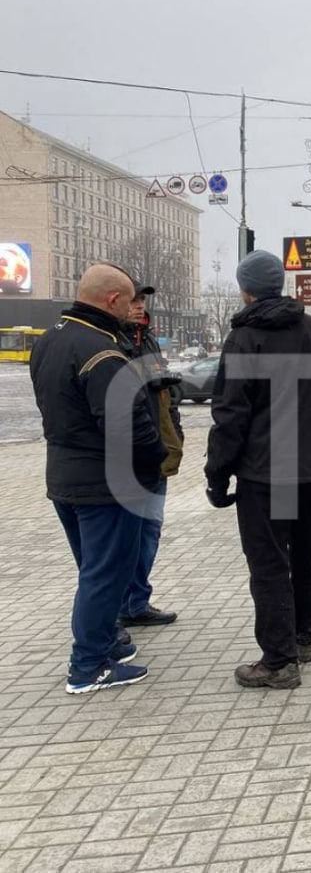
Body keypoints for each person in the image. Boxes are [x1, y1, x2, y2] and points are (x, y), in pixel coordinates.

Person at [205, 250, 311, 689]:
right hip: (309, 469)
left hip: (266, 472)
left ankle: (279, 660)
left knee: (268, 562)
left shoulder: (245, 338)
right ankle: (305, 638)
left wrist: (217, 472)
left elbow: (231, 414)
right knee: (305, 553)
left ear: (245, 289)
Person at [31, 264, 168, 694]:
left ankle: (105, 646)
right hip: (106, 484)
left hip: (66, 477)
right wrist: (155, 459)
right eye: (129, 301)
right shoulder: (103, 351)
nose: (134, 309)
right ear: (112, 300)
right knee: (104, 575)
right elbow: (128, 426)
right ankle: (88, 666)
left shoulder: (51, 339)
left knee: (94, 570)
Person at [119, 283, 184, 629]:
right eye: (132, 300)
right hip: (127, 456)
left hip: (156, 449)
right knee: (125, 535)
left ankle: (136, 600)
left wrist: (175, 423)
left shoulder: (147, 339)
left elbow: (163, 394)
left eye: (142, 300)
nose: (138, 306)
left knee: (150, 531)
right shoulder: (111, 341)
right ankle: (120, 605)